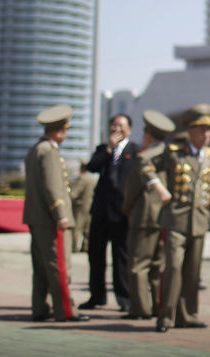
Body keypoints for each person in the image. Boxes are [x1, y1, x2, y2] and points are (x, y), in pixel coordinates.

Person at [144, 103, 210, 332]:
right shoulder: (173, 153)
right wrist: (160, 189)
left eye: (209, 130)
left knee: (193, 272)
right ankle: (166, 317)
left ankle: (188, 316)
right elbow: (145, 165)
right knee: (173, 268)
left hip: (200, 221)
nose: (207, 134)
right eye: (201, 130)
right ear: (190, 131)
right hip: (175, 221)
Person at [23, 104, 88, 323]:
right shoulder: (49, 152)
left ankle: (40, 308)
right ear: (59, 130)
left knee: (41, 267)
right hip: (51, 220)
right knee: (59, 266)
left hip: (36, 218)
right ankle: (66, 310)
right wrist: (61, 213)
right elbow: (52, 187)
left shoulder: (35, 149)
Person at [81, 114, 140, 312]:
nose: (116, 129)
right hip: (100, 211)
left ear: (129, 130)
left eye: (120, 126)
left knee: (121, 257)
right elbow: (92, 167)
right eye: (113, 125)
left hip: (122, 212)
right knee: (95, 256)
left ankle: (124, 297)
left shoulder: (135, 151)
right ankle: (96, 296)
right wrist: (108, 149)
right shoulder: (102, 149)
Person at [122, 110, 175, 320]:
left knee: (138, 265)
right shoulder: (171, 154)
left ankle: (140, 308)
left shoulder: (143, 156)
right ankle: (157, 306)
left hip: (143, 216)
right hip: (164, 216)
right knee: (157, 265)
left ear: (148, 135)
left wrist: (126, 208)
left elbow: (132, 188)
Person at [67, 158, 97, 253]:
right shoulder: (93, 178)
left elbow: (74, 194)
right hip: (91, 205)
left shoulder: (83, 179)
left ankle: (74, 246)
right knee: (88, 228)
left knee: (77, 227)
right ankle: (86, 246)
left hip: (81, 206)